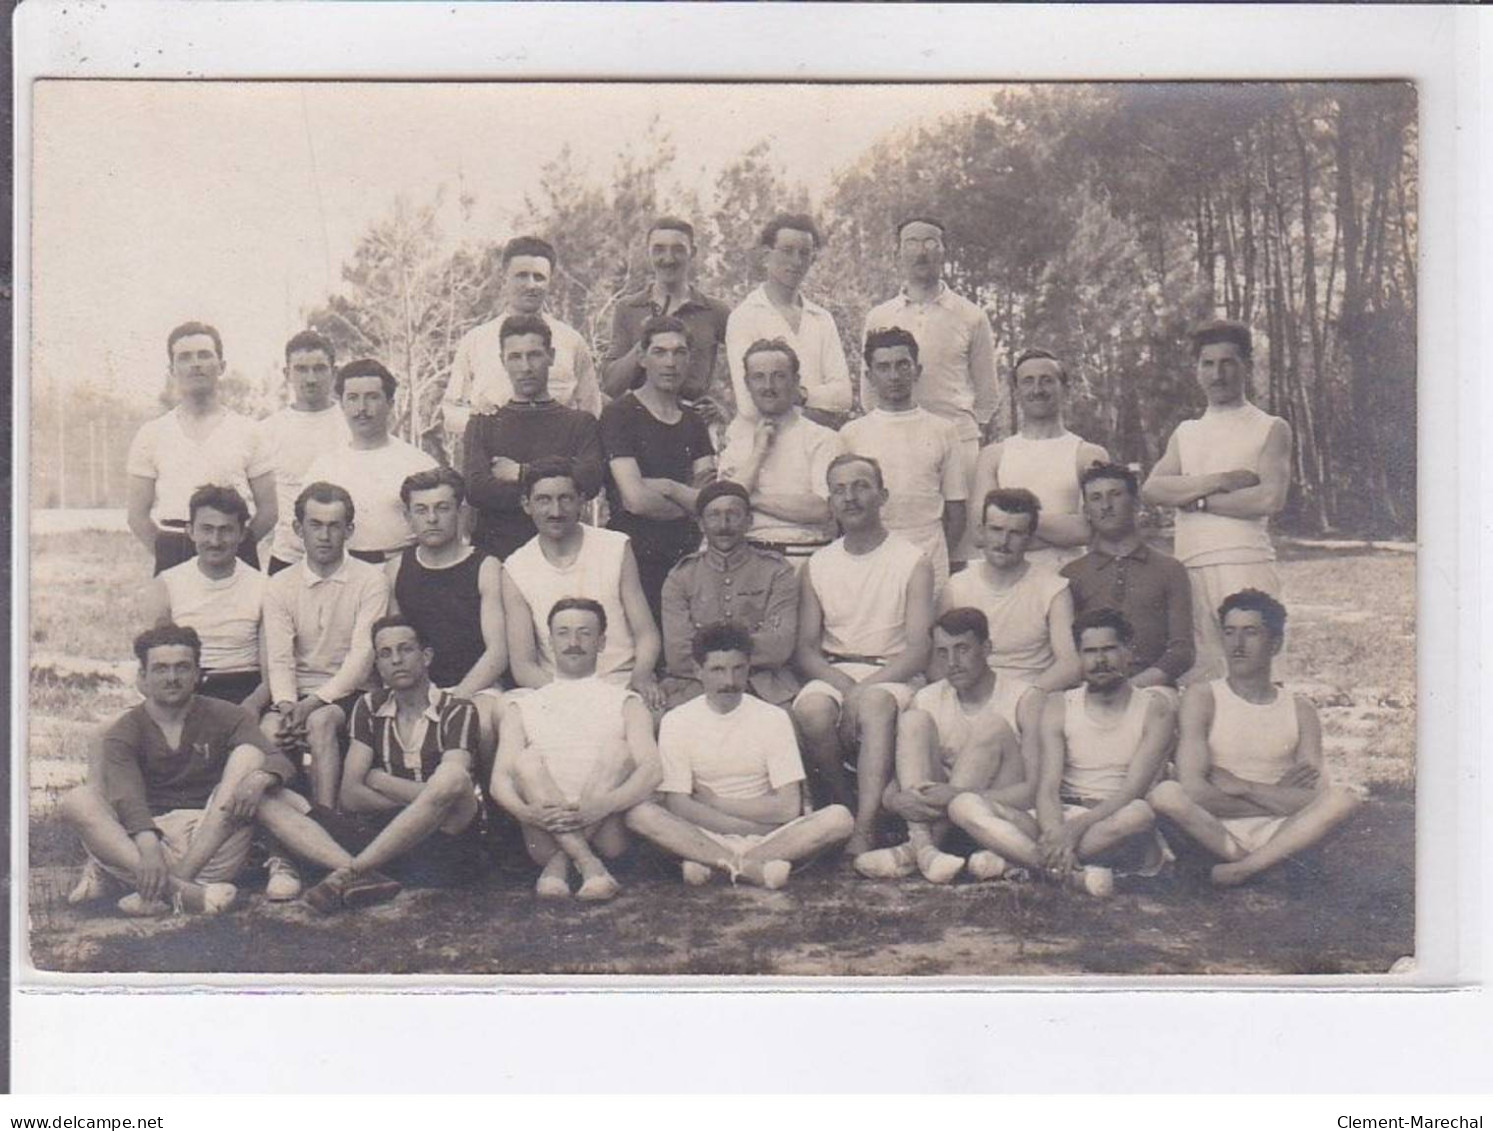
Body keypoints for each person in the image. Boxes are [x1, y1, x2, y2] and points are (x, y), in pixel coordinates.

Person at [60, 625, 299, 916]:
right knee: (77, 799)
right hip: (148, 850)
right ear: (142, 678)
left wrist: (263, 777)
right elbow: (128, 798)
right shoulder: (125, 730)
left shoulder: (227, 715)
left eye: (182, 668)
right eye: (160, 669)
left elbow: (279, 760)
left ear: (198, 674)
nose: (172, 678)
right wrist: (148, 850)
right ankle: (186, 895)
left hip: (211, 843)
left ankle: (169, 890)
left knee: (250, 755)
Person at [949, 609, 1173, 897]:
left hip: (1110, 820)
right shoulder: (1059, 705)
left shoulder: (1155, 709)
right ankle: (1063, 871)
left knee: (1140, 814)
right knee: (963, 804)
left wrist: (1074, 830)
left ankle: (1019, 860)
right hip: (1059, 815)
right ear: (1079, 656)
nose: (1100, 661)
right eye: (1090, 652)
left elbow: (1132, 790)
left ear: (1128, 651)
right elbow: (1048, 787)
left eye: (1109, 650)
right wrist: (1056, 831)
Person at [1149, 590, 1359, 886]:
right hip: (1213, 828)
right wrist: (1277, 797)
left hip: (1283, 829)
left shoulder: (1301, 709)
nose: (1238, 644)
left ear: (1275, 643)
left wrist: (1244, 787)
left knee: (1344, 797)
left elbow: (1313, 796)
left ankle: (1241, 871)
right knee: (1166, 794)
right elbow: (1194, 791)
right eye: (1230, 632)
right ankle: (1269, 865)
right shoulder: (1203, 697)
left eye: (1251, 633)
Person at [626, 623, 853, 888]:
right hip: (706, 833)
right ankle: (750, 866)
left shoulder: (774, 718)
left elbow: (788, 807)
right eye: (717, 670)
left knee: (839, 818)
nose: (729, 682)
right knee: (639, 814)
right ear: (699, 671)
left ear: (748, 668)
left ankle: (717, 864)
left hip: (770, 835)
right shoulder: (677, 721)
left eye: (738, 669)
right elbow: (679, 806)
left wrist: (715, 802)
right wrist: (749, 825)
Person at [793, 454, 935, 855]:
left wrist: (861, 690)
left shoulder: (912, 561)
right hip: (836, 671)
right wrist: (845, 687)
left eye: (861, 486)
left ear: (882, 495)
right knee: (813, 710)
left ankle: (866, 829)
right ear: (830, 500)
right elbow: (805, 649)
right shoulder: (818, 563)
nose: (850, 498)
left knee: (873, 704)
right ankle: (847, 808)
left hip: (893, 673)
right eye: (839, 489)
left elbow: (919, 649)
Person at [294, 617, 484, 911]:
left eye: (405, 649)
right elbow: (350, 795)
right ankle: (371, 873)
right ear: (378, 666)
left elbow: (453, 790)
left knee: (451, 776)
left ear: (426, 656)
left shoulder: (458, 709)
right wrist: (424, 809)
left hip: (446, 840)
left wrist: (379, 779)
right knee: (279, 799)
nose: (396, 660)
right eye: (385, 654)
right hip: (386, 836)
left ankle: (350, 873)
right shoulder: (369, 706)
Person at [1141, 320, 1292, 682]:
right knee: (1201, 679)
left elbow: (1269, 497)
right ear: (1196, 370)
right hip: (1190, 567)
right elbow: (1153, 489)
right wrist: (1220, 481)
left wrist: (1198, 502)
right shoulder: (1187, 432)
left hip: (1245, 562)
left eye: (1228, 363)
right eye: (1207, 364)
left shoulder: (1270, 426)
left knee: (1256, 675)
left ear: (1246, 366)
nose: (1217, 374)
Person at [489, 598, 663, 901]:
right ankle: (589, 865)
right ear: (550, 641)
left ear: (601, 642)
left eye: (584, 633)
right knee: (526, 761)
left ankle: (564, 866)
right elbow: (499, 781)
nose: (573, 642)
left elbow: (652, 770)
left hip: (609, 831)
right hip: (545, 831)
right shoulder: (524, 705)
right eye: (563, 633)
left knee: (618, 752)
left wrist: (603, 806)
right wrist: (526, 813)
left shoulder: (626, 701)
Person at [854, 607, 1041, 885]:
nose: (952, 662)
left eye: (962, 649)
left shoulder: (1025, 698)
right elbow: (895, 787)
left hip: (997, 820)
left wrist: (956, 796)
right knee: (914, 720)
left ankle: (917, 852)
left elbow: (1032, 792)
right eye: (943, 652)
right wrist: (895, 800)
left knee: (991, 726)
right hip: (937, 817)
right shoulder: (928, 697)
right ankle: (926, 849)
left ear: (987, 648)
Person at [862, 217, 998, 568]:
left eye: (931, 242)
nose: (921, 251)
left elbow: (987, 395)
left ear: (944, 252)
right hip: (898, 445)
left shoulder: (971, 315)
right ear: (897, 253)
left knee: (959, 552)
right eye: (912, 242)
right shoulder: (879, 316)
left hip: (958, 442)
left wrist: (956, 434)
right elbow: (868, 393)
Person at [262, 482, 390, 811]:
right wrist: (288, 704)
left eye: (334, 526)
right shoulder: (279, 585)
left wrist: (313, 704)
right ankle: (281, 836)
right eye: (315, 525)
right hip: (297, 695)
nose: (324, 535)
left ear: (348, 531)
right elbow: (279, 658)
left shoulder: (371, 579)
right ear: (297, 529)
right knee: (269, 730)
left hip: (353, 693)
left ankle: (327, 820)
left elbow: (362, 657)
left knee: (321, 723)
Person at [501, 457, 664, 711]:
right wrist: (569, 697)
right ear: (526, 505)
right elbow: (523, 666)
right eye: (544, 500)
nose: (555, 511)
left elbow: (647, 634)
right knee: (505, 712)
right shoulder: (516, 567)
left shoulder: (615, 547)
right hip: (554, 690)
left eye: (565, 498)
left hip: (619, 683)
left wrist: (641, 676)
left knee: (653, 718)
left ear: (581, 501)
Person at [126, 321, 276, 574]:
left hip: (233, 552)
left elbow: (269, 510)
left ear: (221, 366)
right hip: (175, 551)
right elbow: (137, 516)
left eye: (205, 355)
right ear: (172, 369)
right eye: (184, 357)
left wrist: (236, 547)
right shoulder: (151, 434)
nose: (195, 363)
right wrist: (169, 553)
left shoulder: (249, 431)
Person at [460, 313, 604, 562]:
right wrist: (560, 486)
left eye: (534, 355)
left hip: (565, 558)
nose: (525, 367)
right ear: (502, 361)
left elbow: (589, 481)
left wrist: (522, 473)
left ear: (551, 356)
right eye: (515, 357)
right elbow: (478, 491)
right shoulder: (483, 424)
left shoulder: (579, 422)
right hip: (500, 557)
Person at [443, 235, 601, 461]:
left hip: (555, 467)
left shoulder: (571, 341)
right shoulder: (476, 340)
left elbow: (591, 411)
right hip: (494, 464)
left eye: (539, 277)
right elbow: (451, 413)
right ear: (503, 279)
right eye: (521, 276)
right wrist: (484, 422)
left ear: (550, 281)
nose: (531, 285)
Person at [600, 314, 717, 619]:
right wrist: (687, 498)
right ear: (641, 357)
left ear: (690, 360)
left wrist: (666, 487)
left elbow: (707, 503)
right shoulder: (620, 414)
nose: (670, 362)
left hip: (686, 560)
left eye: (680, 353)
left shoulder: (694, 422)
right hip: (633, 561)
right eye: (660, 352)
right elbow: (635, 500)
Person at [386, 467, 507, 760]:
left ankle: (490, 805)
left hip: (475, 687)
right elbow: (393, 646)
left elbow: (497, 652)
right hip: (417, 690)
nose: (431, 519)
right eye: (421, 510)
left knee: (484, 723)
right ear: (408, 517)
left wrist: (454, 700)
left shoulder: (486, 567)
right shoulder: (396, 569)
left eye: (442, 508)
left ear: (460, 512)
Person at [841, 326, 967, 590]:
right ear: (870, 376)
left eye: (902, 365)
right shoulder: (851, 434)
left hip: (928, 556)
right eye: (884, 367)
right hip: (870, 558)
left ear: (917, 371)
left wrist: (933, 556)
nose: (894, 375)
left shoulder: (944, 431)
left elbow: (956, 512)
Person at [659, 481, 800, 710]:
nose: (723, 525)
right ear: (701, 524)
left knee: (789, 728)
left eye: (733, 514)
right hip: (696, 686)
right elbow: (678, 653)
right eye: (714, 516)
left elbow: (779, 645)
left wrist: (710, 653)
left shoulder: (776, 571)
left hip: (764, 686)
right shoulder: (681, 577)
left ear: (749, 521)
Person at [969, 348, 1109, 574]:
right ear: (1016, 392)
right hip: (1009, 582)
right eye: (1028, 381)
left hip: (1068, 579)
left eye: (1046, 381)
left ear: (1065, 389)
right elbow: (979, 533)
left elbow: (1091, 529)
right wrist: (1064, 532)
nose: (1037, 389)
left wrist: (1010, 529)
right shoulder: (993, 455)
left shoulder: (1088, 454)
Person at [1061, 462, 1194, 696]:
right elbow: (1067, 653)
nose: (1106, 506)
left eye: (1115, 495)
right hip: (1091, 692)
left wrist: (1130, 689)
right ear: (1086, 511)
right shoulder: (1072, 575)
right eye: (1095, 498)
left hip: (1153, 691)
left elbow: (1182, 652)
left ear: (1135, 503)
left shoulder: (1170, 569)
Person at [717, 339, 844, 571]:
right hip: (747, 561)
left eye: (779, 376)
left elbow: (822, 509)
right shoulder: (737, 440)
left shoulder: (822, 439)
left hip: (805, 559)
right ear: (747, 383)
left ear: (795, 381)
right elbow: (725, 506)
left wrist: (751, 498)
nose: (768, 386)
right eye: (759, 377)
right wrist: (758, 452)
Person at [940, 488, 1080, 691]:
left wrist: (1023, 699)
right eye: (996, 529)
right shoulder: (957, 586)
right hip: (969, 693)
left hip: (1029, 694)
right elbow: (936, 659)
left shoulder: (1053, 589)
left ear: (1030, 539)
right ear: (982, 531)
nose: (1003, 541)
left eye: (1015, 533)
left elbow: (1069, 665)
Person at [301, 359, 438, 565]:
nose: (362, 408)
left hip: (404, 570)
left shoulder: (419, 464)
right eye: (353, 398)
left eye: (372, 397)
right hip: (343, 572)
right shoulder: (323, 467)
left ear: (390, 404)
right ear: (342, 405)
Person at [143, 485, 268, 709]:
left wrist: (250, 709)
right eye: (207, 529)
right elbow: (149, 668)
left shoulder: (264, 587)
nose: (215, 540)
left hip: (244, 689)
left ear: (242, 534)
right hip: (186, 692)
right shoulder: (166, 584)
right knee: (106, 734)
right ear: (191, 531)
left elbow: (273, 675)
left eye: (226, 530)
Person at [724, 214, 852, 428]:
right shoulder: (744, 317)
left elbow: (843, 396)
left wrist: (800, 395)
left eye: (805, 253)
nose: (796, 261)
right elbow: (750, 406)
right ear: (767, 255)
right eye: (787, 251)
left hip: (818, 444)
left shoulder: (821, 318)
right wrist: (820, 409)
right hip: (765, 446)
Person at [601, 216, 730, 421]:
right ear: (648, 253)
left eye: (678, 249)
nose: (668, 259)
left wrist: (726, 410)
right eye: (659, 249)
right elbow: (611, 386)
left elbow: (750, 367)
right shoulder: (628, 308)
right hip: (640, 423)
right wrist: (648, 337)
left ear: (693, 253)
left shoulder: (715, 311)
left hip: (696, 423)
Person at [258, 330, 351, 575]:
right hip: (288, 558)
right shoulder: (267, 431)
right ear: (287, 374)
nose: (310, 378)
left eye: (319, 368)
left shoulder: (352, 424)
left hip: (347, 559)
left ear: (334, 372)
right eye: (301, 369)